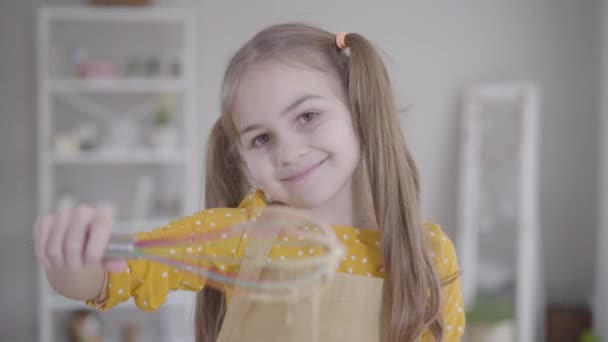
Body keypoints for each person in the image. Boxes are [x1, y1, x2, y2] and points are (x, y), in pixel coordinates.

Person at [33, 23, 465, 341]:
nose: (287, 151)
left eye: (308, 116)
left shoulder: (430, 254)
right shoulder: (236, 235)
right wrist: (71, 264)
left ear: (359, 106)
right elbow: (115, 277)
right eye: (261, 138)